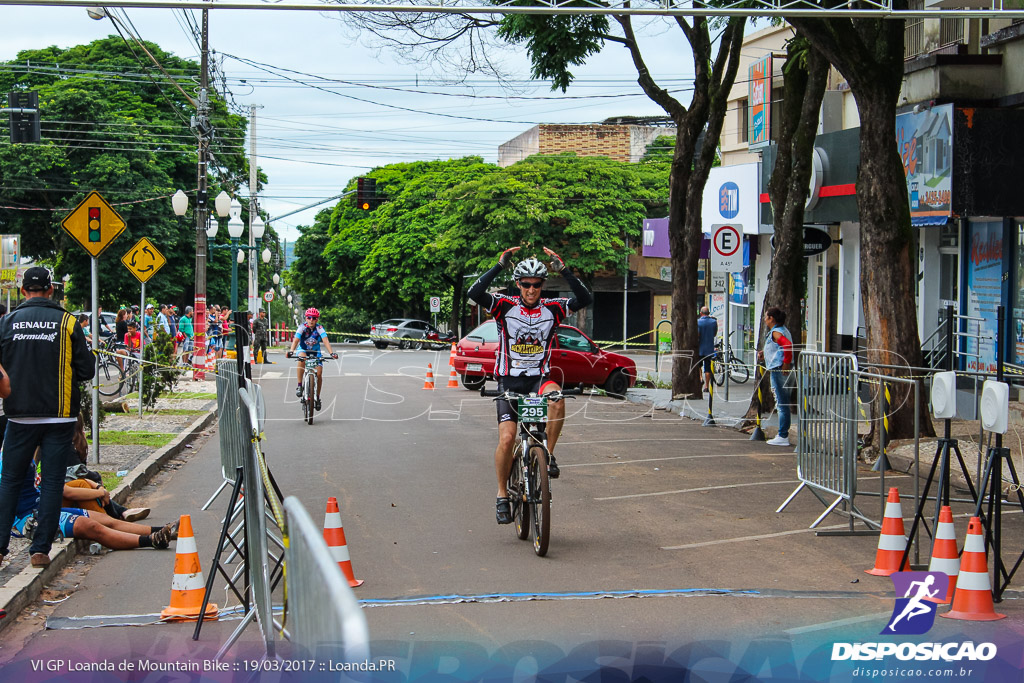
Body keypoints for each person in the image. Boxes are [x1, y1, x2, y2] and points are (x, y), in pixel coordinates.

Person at [467, 247, 592, 525]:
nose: (532, 289)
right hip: (509, 380)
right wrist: (499, 265)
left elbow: (585, 298)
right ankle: (502, 494)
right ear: (518, 284)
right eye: (526, 284)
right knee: (507, 439)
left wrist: (565, 270)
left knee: (558, 399)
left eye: (537, 284)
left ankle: (548, 453)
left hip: (539, 379)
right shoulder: (504, 305)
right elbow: (474, 293)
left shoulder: (554, 308)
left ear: (543, 285)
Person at [0, 266, 95, 569]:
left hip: (19, 415)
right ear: (52, 290)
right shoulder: (68, 323)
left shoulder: (7, 323)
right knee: (52, 482)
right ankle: (40, 550)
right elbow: (87, 370)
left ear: (23, 290)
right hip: (59, 416)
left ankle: (1, 547)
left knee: (10, 481)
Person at [757, 306, 794, 447]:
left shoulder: (776, 332)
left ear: (771, 318)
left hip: (779, 370)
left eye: (766, 317)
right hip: (781, 368)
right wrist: (764, 353)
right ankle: (783, 434)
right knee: (783, 402)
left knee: (781, 403)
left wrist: (785, 364)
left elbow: (787, 346)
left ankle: (783, 435)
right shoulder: (781, 330)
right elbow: (779, 348)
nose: (765, 319)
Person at [288, 307, 337, 411]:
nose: (311, 320)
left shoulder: (319, 328)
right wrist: (291, 351)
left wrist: (332, 353)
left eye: (314, 318)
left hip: (315, 351)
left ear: (317, 319)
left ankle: (317, 397)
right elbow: (296, 340)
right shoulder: (302, 327)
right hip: (303, 349)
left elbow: (325, 340)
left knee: (319, 373)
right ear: (306, 318)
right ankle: (300, 385)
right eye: (309, 317)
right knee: (301, 358)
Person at [697, 306, 718, 393]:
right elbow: (714, 333)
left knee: (698, 366)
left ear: (701, 313)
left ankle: (700, 378)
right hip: (709, 348)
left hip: (699, 348)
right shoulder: (714, 322)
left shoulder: (698, 322)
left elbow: (697, 334)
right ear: (708, 313)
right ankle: (706, 386)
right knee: (708, 367)